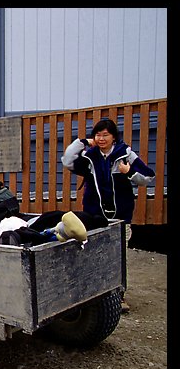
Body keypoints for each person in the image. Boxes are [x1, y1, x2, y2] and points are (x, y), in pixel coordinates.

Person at [61, 118, 155, 313]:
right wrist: (83, 142)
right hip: (93, 215)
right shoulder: (89, 156)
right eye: (98, 135)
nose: (101, 138)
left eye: (105, 135)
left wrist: (129, 173)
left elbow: (148, 178)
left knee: (118, 256)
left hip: (119, 216)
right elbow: (67, 160)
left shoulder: (125, 155)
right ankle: (94, 295)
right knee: (92, 253)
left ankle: (118, 296)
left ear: (114, 137)